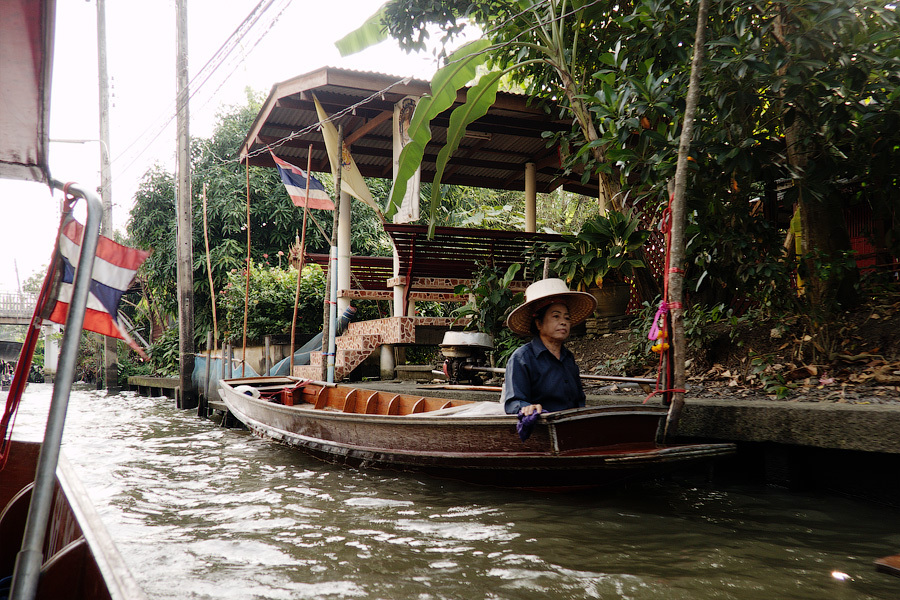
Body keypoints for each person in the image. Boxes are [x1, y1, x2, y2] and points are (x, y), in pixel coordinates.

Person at [501, 278, 597, 416]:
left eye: (567, 318)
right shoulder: (522, 358)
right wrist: (528, 408)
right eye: (556, 316)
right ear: (539, 323)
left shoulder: (568, 358)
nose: (563, 322)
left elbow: (579, 401)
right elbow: (513, 403)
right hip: (541, 429)